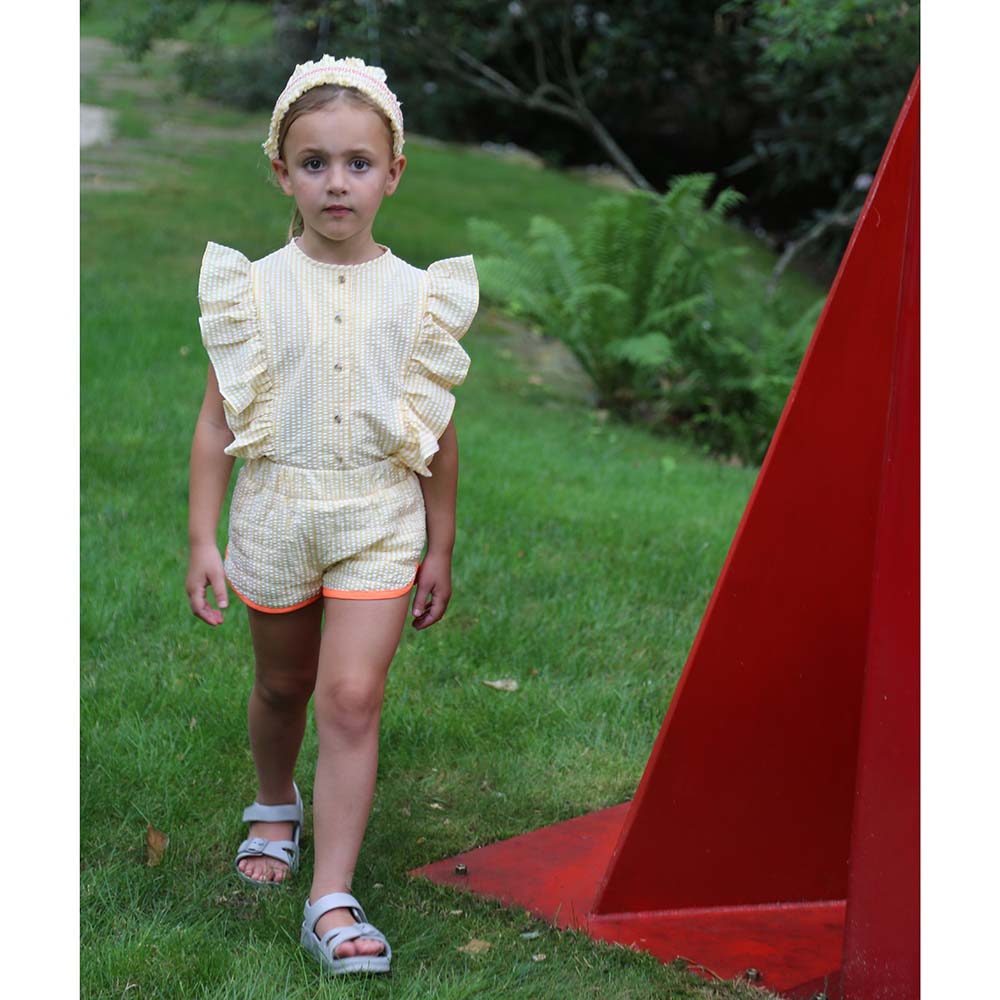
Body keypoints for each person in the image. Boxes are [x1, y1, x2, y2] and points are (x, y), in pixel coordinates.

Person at [185, 54, 478, 977]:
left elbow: (437, 432)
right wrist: (202, 537)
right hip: (277, 515)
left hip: (378, 522)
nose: (337, 182)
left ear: (394, 173)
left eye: (359, 163)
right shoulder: (251, 291)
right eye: (314, 163)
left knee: (351, 697)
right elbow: (215, 423)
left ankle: (331, 897)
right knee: (284, 685)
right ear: (283, 173)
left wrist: (440, 544)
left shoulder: (420, 297)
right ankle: (276, 801)